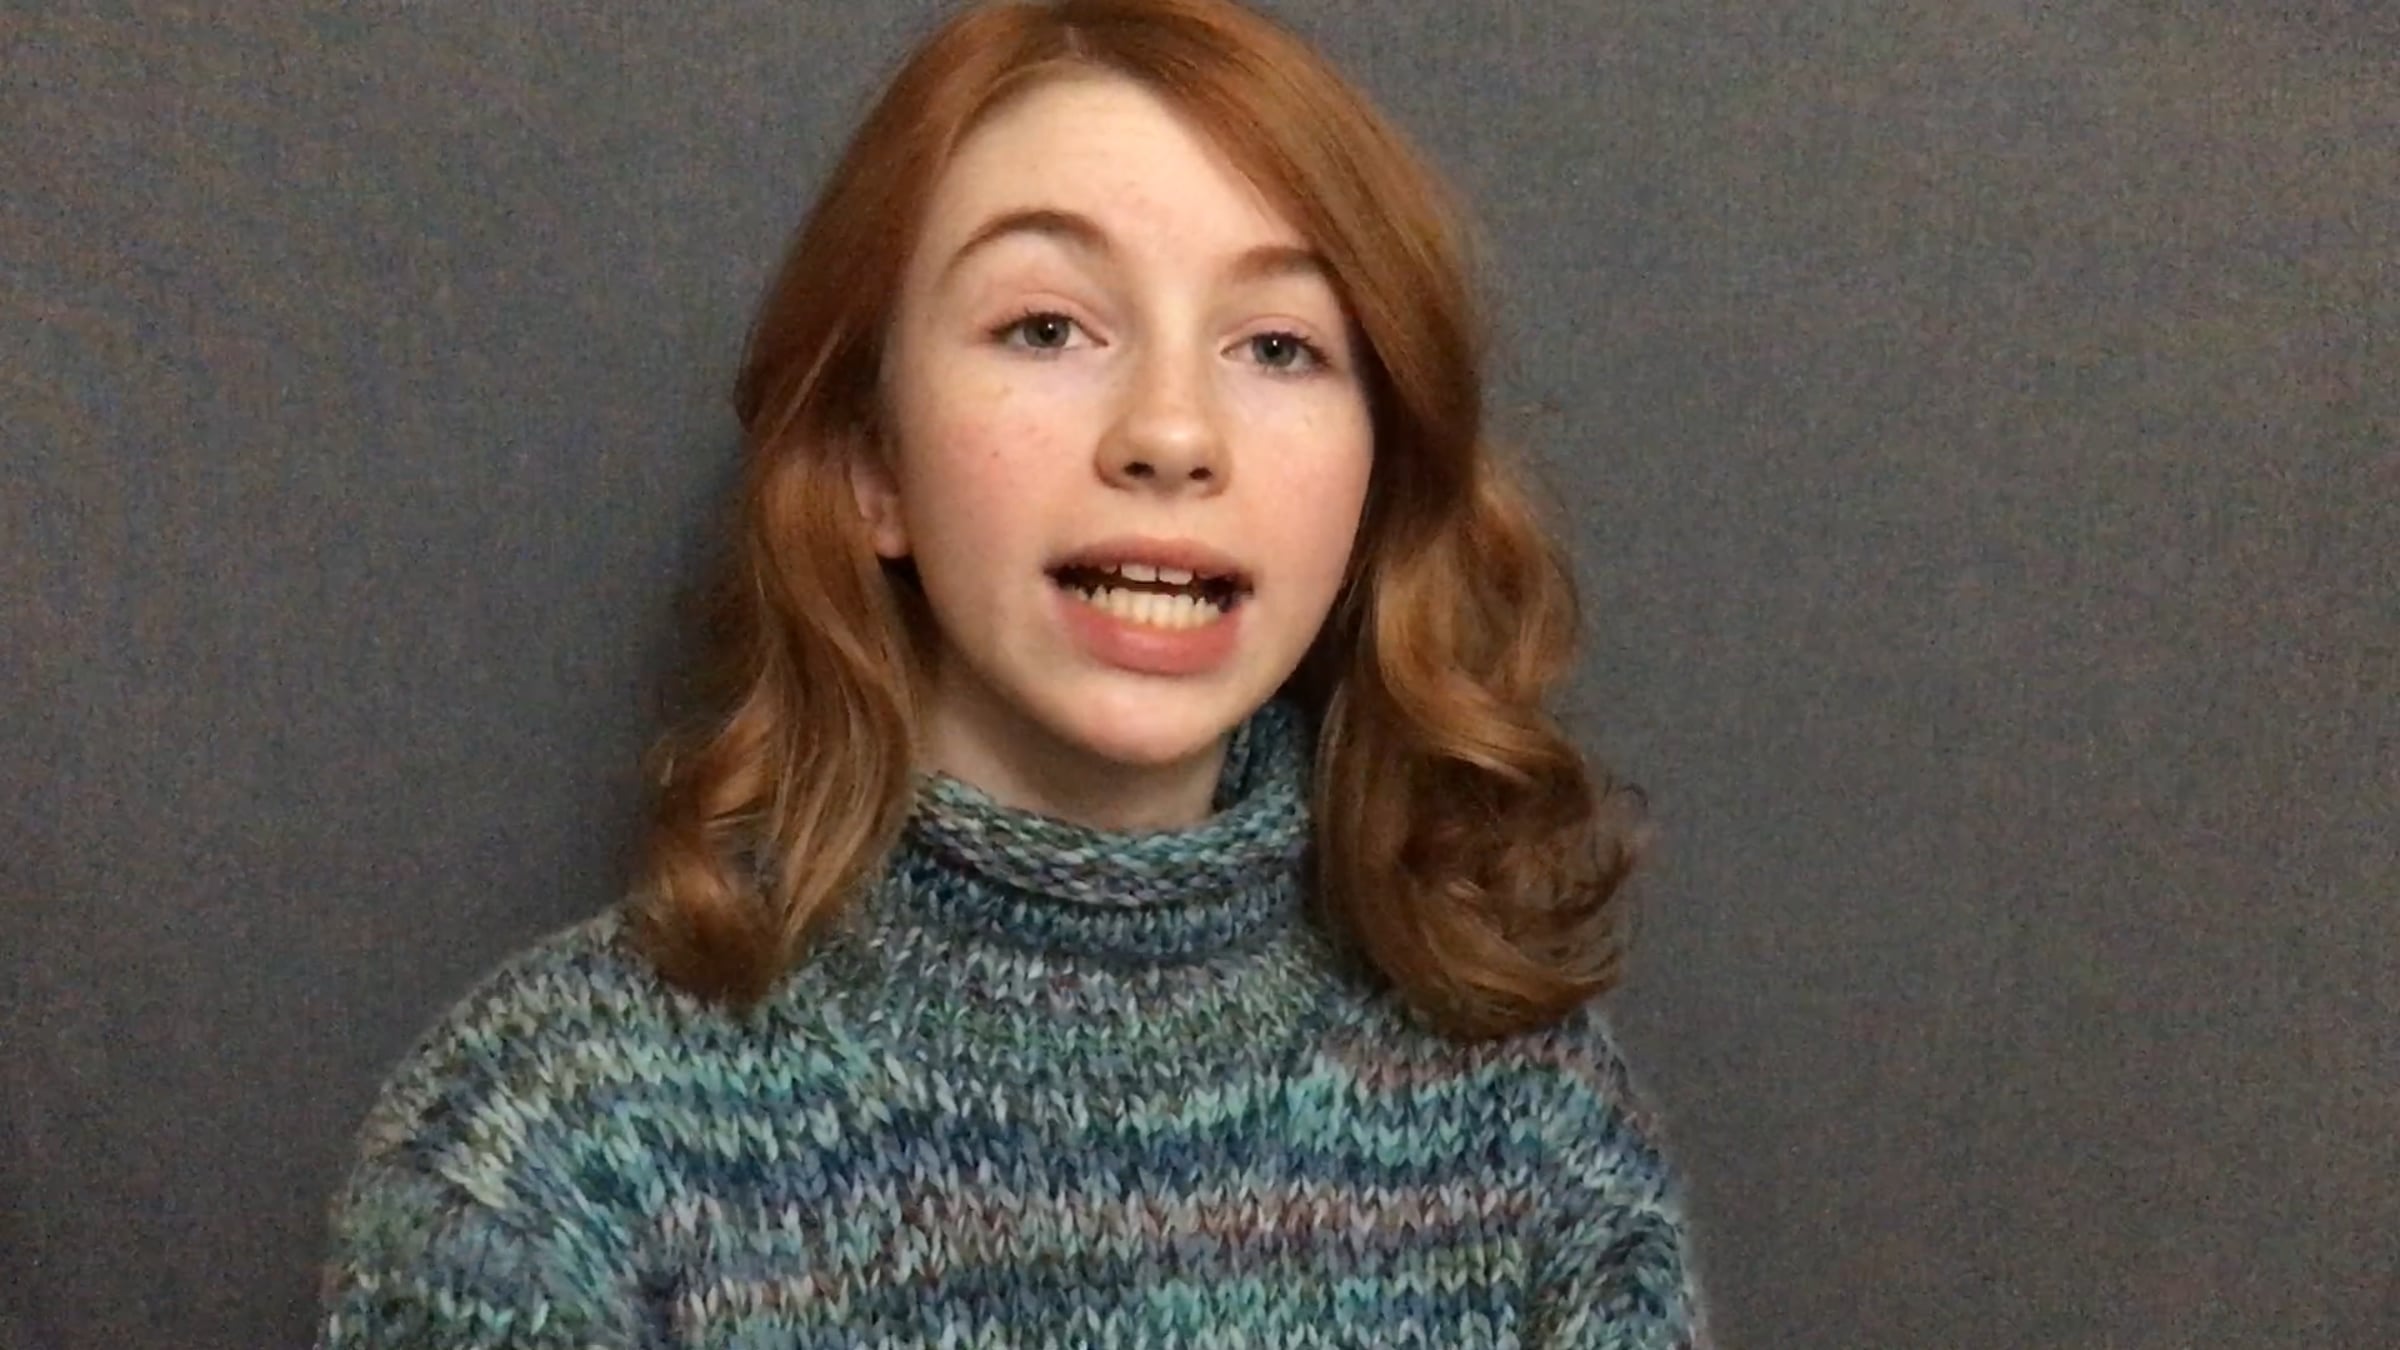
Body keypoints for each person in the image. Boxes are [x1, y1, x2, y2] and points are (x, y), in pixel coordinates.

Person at [312, 0, 1707, 1345]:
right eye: (1047, 327)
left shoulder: (1542, 1141)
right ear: (872, 462)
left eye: (1279, 345)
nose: (1172, 432)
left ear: (1373, 482)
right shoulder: (543, 1155)